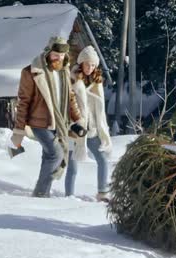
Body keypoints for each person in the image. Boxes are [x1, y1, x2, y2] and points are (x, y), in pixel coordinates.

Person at [10, 36, 85, 198]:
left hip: (59, 122)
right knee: (56, 154)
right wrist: (19, 129)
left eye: (62, 55)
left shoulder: (64, 71)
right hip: (38, 122)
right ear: (48, 53)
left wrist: (78, 118)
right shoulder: (32, 72)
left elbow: (70, 97)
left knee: (48, 157)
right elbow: (23, 101)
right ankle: (40, 194)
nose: (59, 58)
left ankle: (44, 195)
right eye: (55, 54)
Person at [65, 46, 112, 202]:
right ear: (81, 63)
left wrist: (101, 128)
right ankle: (68, 197)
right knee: (73, 166)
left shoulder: (97, 82)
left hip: (92, 129)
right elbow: (67, 105)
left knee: (103, 159)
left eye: (93, 65)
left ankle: (103, 192)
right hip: (75, 129)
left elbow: (100, 110)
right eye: (87, 64)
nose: (90, 68)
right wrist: (75, 124)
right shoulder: (72, 80)